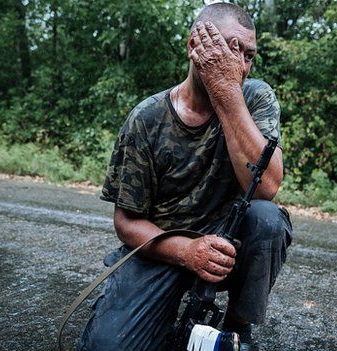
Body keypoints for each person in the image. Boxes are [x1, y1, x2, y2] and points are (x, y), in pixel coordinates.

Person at [76, 3, 292, 351]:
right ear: (195, 46)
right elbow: (127, 222)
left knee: (268, 219)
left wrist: (227, 95)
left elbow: (266, 187)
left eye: (247, 54)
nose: (237, 62)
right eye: (226, 47)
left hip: (227, 241)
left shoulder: (255, 97)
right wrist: (187, 252)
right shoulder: (146, 118)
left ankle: (238, 326)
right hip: (164, 246)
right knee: (106, 346)